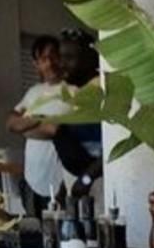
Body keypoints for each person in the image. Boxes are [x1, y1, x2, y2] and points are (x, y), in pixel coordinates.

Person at [6, 34, 69, 213]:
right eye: (43, 58)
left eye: (53, 55)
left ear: (61, 57)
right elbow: (10, 122)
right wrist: (40, 119)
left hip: (61, 182)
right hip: (31, 178)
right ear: (36, 64)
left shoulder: (73, 91)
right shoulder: (33, 92)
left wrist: (24, 127)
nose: (49, 63)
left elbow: (54, 130)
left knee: (61, 228)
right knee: (32, 227)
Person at [52, 29, 104, 203]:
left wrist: (86, 178)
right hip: (81, 187)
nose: (62, 64)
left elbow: (113, 147)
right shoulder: (80, 92)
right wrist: (64, 186)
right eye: (61, 57)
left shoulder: (101, 92)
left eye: (69, 58)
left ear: (90, 59)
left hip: (98, 186)